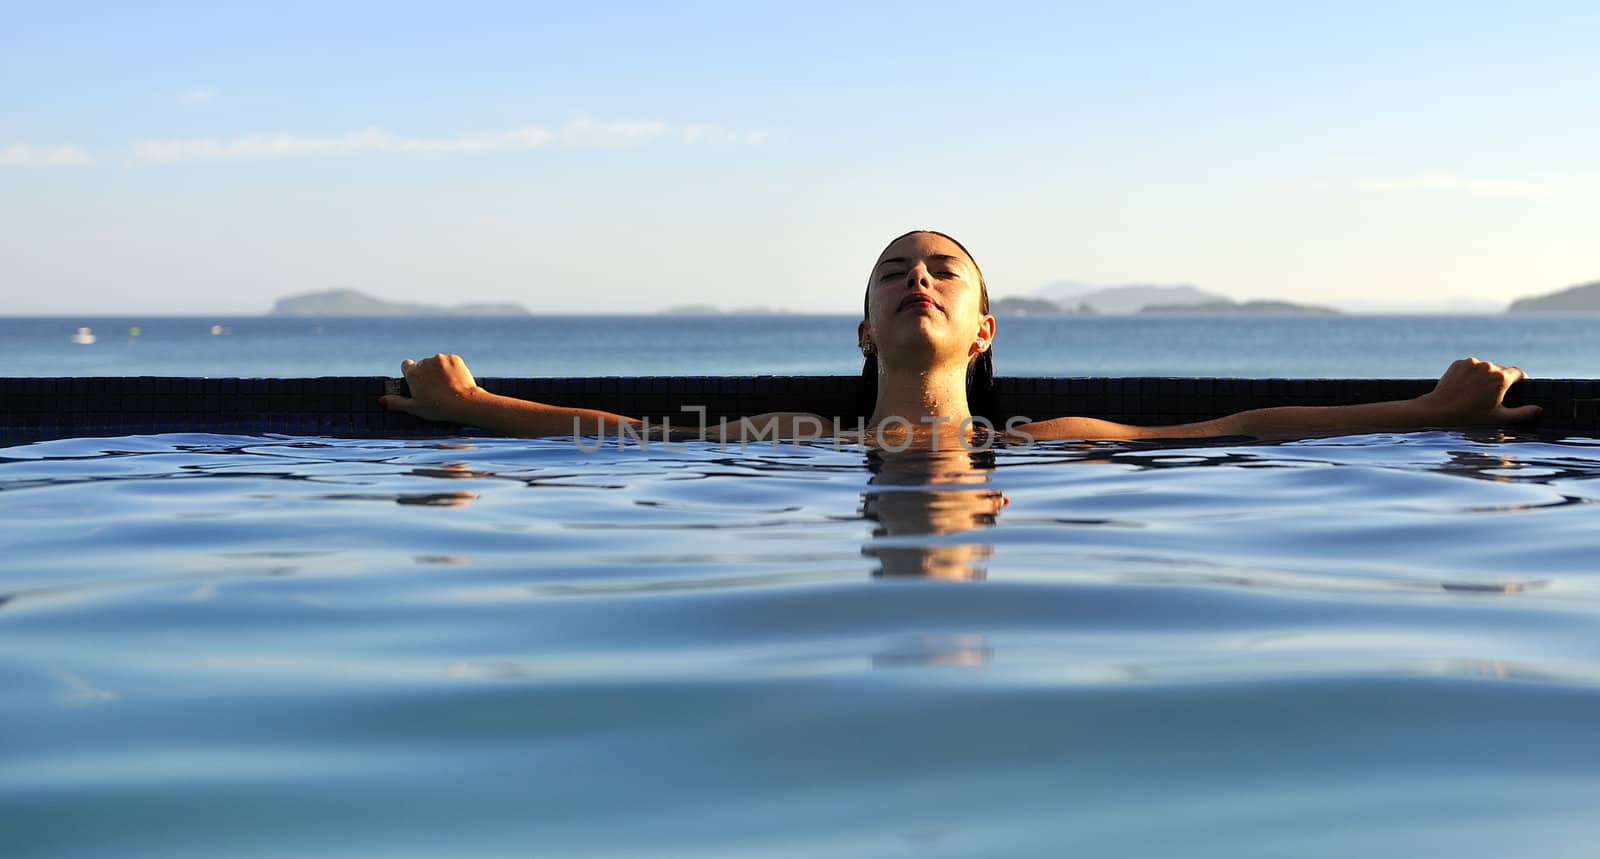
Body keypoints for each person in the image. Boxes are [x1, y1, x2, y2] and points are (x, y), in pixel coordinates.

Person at [381, 230, 1540, 445]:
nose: (915, 281)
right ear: (863, 323)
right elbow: (631, 435)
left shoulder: (1036, 443)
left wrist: (1431, 413)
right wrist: (474, 409)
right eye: (893, 272)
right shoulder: (799, 438)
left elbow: (1239, 424)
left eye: (941, 271)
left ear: (981, 329)